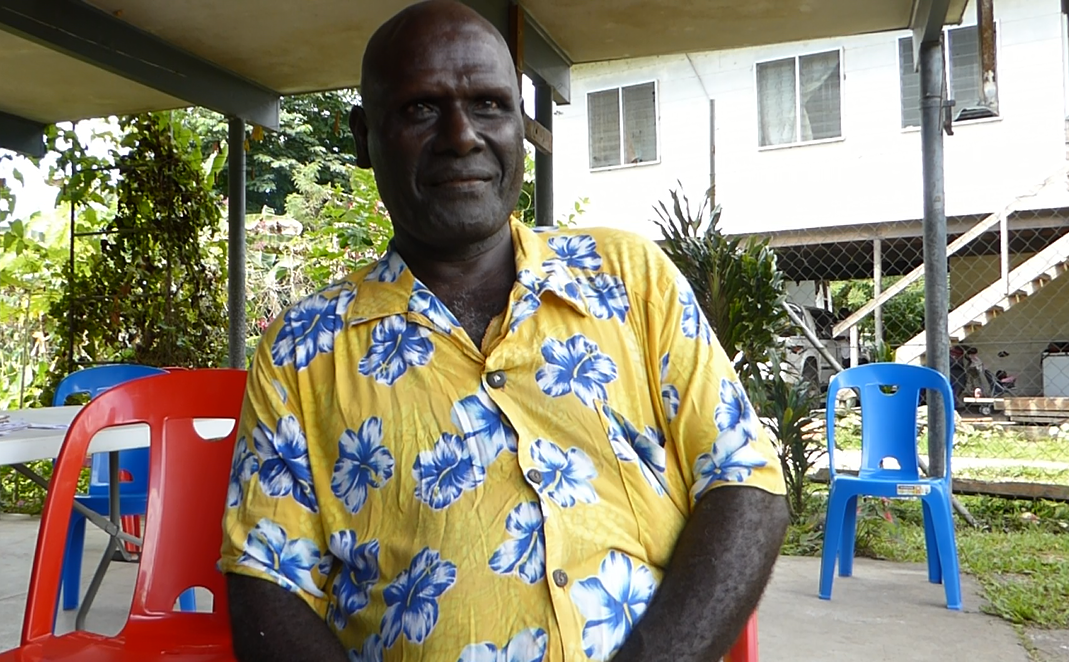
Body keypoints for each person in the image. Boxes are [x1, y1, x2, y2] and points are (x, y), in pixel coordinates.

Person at [221, 2, 789, 660]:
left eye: (489, 104)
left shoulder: (631, 279)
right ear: (362, 135)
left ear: (521, 126)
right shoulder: (304, 348)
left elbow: (744, 485)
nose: (462, 134)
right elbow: (266, 586)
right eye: (420, 109)